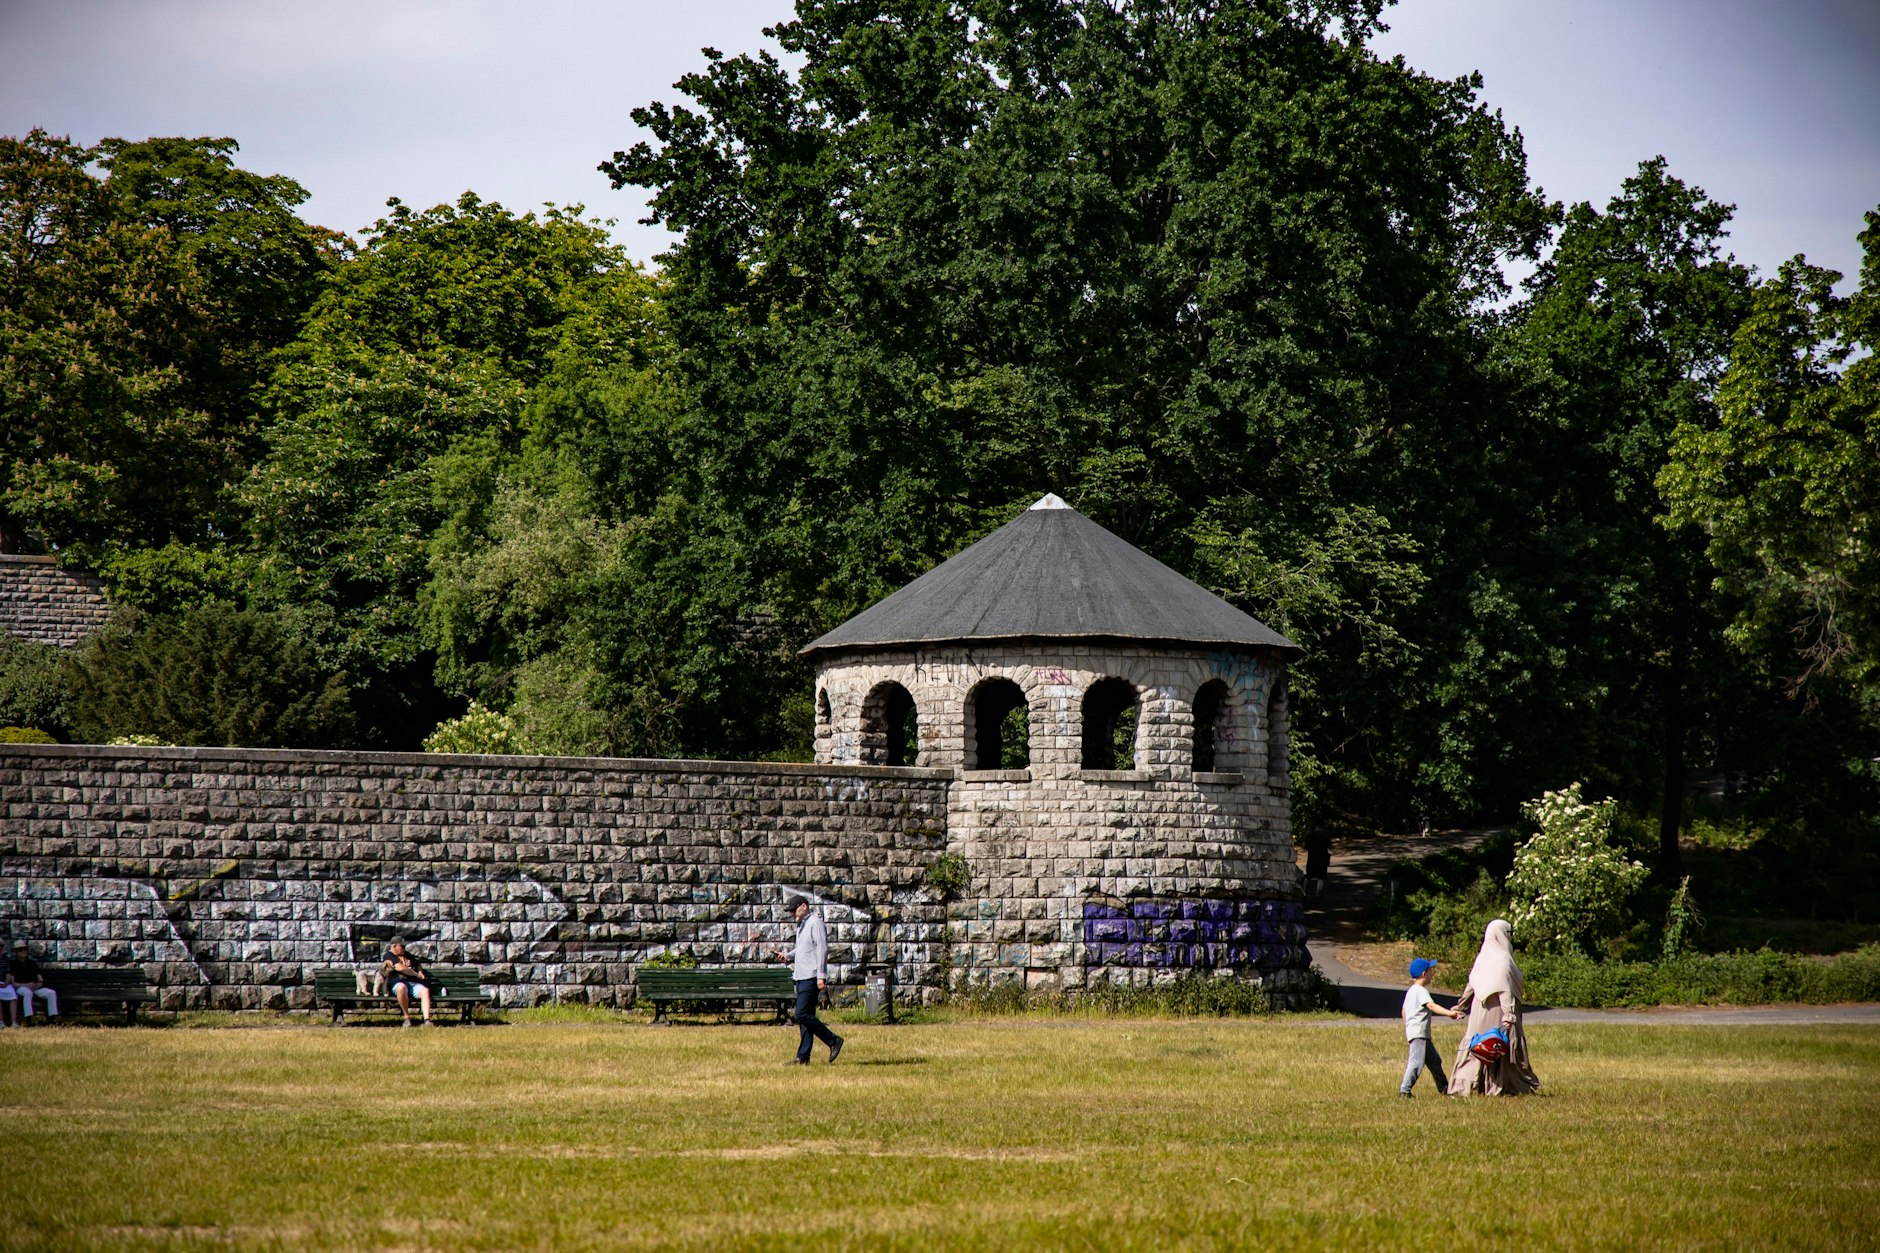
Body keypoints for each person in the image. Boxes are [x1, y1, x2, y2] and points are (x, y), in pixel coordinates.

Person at [1447, 919, 1541, 1096]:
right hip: (1498, 1009)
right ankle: (1501, 1085)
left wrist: (1461, 1006)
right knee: (1498, 1044)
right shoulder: (1503, 959)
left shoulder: (1482, 958)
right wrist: (1509, 1013)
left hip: (1479, 1009)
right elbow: (1505, 989)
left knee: (1478, 1044)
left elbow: (1471, 985)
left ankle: (1466, 1085)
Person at [772, 897, 843, 1065]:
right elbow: (803, 948)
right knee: (806, 1017)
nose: (791, 914)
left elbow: (822, 949)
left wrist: (821, 976)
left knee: (801, 1014)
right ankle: (803, 1057)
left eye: (793, 910)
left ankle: (833, 1040)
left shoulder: (815, 923)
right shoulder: (803, 924)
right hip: (801, 975)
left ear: (804, 906)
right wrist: (787, 955)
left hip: (811, 976)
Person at [1400, 956, 1463, 1097]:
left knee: (1435, 1061)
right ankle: (1404, 1091)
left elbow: (1403, 1011)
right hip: (1419, 1034)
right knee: (1416, 1063)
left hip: (1418, 1033)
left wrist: (1408, 1028)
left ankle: (1444, 1088)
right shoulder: (1421, 991)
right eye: (1430, 971)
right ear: (1424, 973)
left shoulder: (1411, 991)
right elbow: (1431, 1005)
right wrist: (1450, 1013)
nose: (1432, 974)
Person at [381, 938, 434, 1027]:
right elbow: (399, 967)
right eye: (402, 946)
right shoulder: (388, 956)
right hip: (397, 982)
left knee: (425, 991)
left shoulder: (407, 955)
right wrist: (416, 974)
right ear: (394, 946)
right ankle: (407, 1018)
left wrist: (420, 971)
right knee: (401, 987)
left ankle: (427, 1020)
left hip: (412, 983)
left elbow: (418, 964)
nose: (404, 948)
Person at [7, 941, 58, 1024]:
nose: (23, 951)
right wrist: (27, 985)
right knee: (27, 993)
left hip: (34, 987)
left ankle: (51, 1020)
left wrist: (38, 984)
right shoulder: (13, 965)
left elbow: (40, 978)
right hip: (21, 987)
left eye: (25, 949)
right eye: (20, 950)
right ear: (16, 952)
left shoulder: (32, 963)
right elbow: (13, 983)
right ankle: (29, 1020)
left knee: (51, 993)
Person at [1303, 825, 1332, 901]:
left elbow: (1305, 847)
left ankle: (1304, 893)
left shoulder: (1309, 835)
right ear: (1321, 828)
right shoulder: (1325, 836)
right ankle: (1318, 894)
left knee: (1308, 876)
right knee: (1321, 876)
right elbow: (1329, 847)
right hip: (1322, 858)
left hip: (1311, 858)